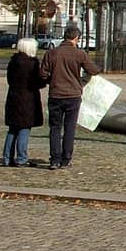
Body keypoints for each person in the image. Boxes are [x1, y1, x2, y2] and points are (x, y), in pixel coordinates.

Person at [39, 24, 100, 169]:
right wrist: (82, 82)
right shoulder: (80, 54)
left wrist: (52, 81)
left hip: (56, 94)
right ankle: (66, 159)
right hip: (73, 94)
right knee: (70, 128)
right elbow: (93, 70)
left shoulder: (52, 53)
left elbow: (42, 74)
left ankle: (54, 159)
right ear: (76, 38)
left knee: (55, 128)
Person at [2, 37, 45, 167]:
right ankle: (21, 158)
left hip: (13, 97)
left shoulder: (13, 61)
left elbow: (9, 80)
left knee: (13, 129)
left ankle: (7, 158)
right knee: (24, 128)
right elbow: (37, 82)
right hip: (28, 99)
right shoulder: (32, 63)